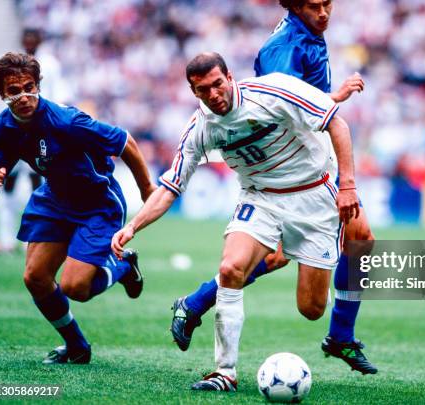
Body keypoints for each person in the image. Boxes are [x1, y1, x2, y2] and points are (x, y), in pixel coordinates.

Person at [111, 52, 359, 391]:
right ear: (192, 91)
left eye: (217, 84)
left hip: (313, 197)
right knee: (230, 268)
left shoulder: (270, 92)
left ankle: (197, 305)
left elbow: (337, 123)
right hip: (260, 198)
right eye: (203, 90)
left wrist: (347, 186)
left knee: (312, 308)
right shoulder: (201, 127)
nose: (214, 95)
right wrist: (132, 226)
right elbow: (171, 186)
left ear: (230, 77)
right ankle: (224, 372)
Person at [172, 0, 377, 375]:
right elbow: (282, 113)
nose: (325, 12)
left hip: (315, 156)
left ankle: (340, 336)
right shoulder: (284, 49)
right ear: (295, 6)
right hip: (291, 169)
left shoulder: (309, 33)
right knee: (281, 258)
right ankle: (197, 303)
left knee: (359, 236)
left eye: (328, 3)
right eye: (315, 6)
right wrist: (335, 98)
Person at [0, 52, 155, 364]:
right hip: (53, 199)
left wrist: (148, 191)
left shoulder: (67, 121)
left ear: (38, 85)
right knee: (35, 277)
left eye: (30, 87)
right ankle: (77, 347)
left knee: (75, 287)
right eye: (14, 90)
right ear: (1, 94)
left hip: (96, 202)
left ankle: (122, 266)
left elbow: (126, 142)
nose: (24, 96)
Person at [0, 28, 60, 254]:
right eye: (27, 40)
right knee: (4, 185)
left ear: (39, 40)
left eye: (33, 40)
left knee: (36, 185)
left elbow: (56, 98)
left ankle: (29, 237)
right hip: (13, 131)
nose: (30, 43)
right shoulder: (12, 67)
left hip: (40, 131)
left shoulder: (49, 64)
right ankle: (7, 240)